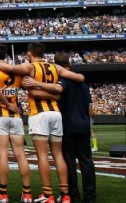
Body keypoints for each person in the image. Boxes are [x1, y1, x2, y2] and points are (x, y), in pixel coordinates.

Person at [0, 42, 84, 203]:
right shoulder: (55, 67)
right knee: (54, 155)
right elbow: (80, 77)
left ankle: (40, 194)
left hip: (23, 114)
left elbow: (10, 71)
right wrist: (55, 94)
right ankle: (58, 195)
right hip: (52, 114)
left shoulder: (26, 68)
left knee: (12, 155)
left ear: (30, 54)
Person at [0, 44, 31, 203]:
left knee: (3, 155)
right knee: (21, 155)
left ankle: (2, 194)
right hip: (15, 116)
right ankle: (27, 194)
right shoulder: (17, 70)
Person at [55, 53, 95, 203]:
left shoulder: (62, 81)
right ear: (69, 65)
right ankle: (90, 196)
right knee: (87, 162)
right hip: (83, 125)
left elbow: (58, 95)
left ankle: (73, 195)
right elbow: (90, 108)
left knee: (69, 162)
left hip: (68, 125)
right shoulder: (84, 85)